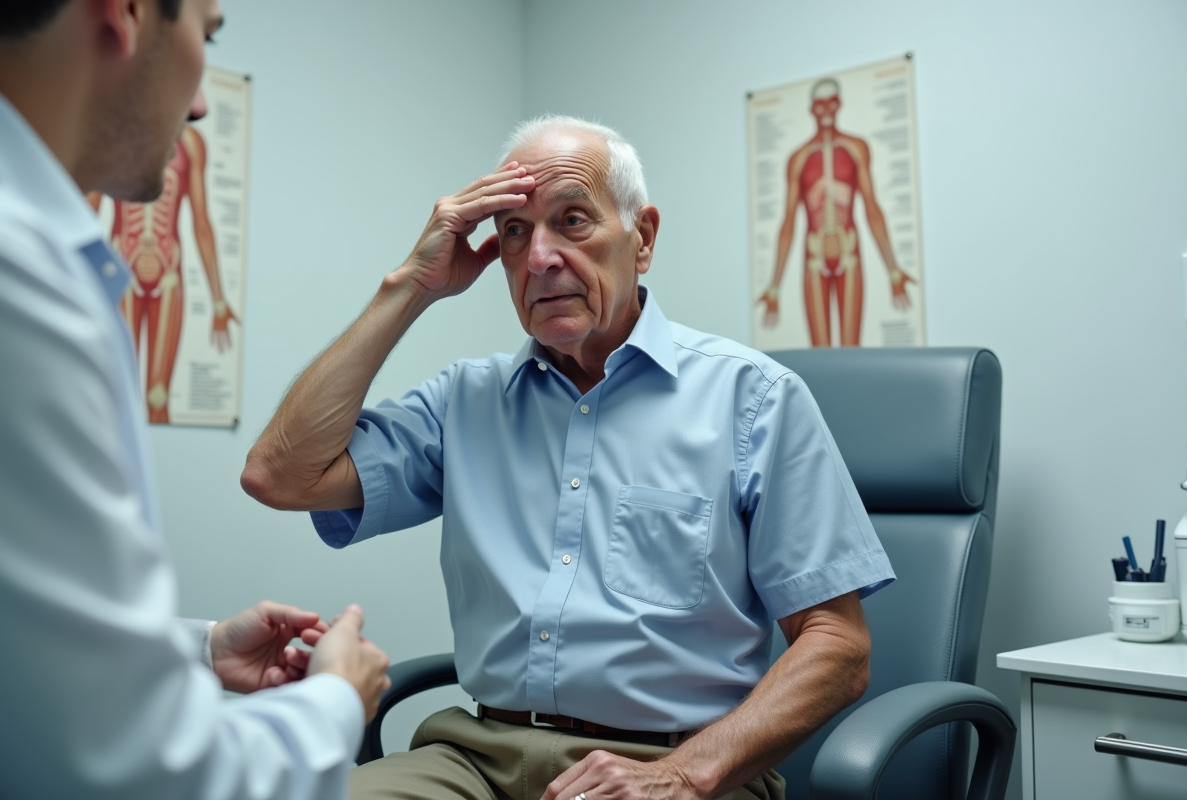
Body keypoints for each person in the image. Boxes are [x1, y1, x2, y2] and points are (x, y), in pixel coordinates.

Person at [242, 115, 895, 800]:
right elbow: (279, 474)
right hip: (473, 759)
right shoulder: (466, 400)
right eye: (516, 232)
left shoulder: (753, 399)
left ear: (642, 239)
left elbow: (837, 646)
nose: (541, 257)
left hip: (675, 767)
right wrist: (411, 283)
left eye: (573, 220)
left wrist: (680, 775)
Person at [0, 1, 391, 798]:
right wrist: (334, 704)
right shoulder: (23, 284)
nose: (205, 100)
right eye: (206, 38)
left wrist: (198, 649)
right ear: (125, 13)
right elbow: (134, 772)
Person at [90, 124, 237, 424]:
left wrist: (219, 302)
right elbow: (85, 213)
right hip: (124, 277)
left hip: (169, 277)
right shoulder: (113, 134)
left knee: (158, 398)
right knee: (119, 394)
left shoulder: (191, 142)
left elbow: (202, 223)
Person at [757, 78, 915, 347]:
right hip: (814, 257)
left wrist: (893, 270)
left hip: (849, 252)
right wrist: (774, 286)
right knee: (819, 352)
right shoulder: (798, 158)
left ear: (839, 104)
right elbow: (787, 224)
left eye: (831, 104)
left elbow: (872, 209)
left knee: (851, 349)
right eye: (820, 105)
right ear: (812, 109)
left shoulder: (856, 148)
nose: (826, 111)